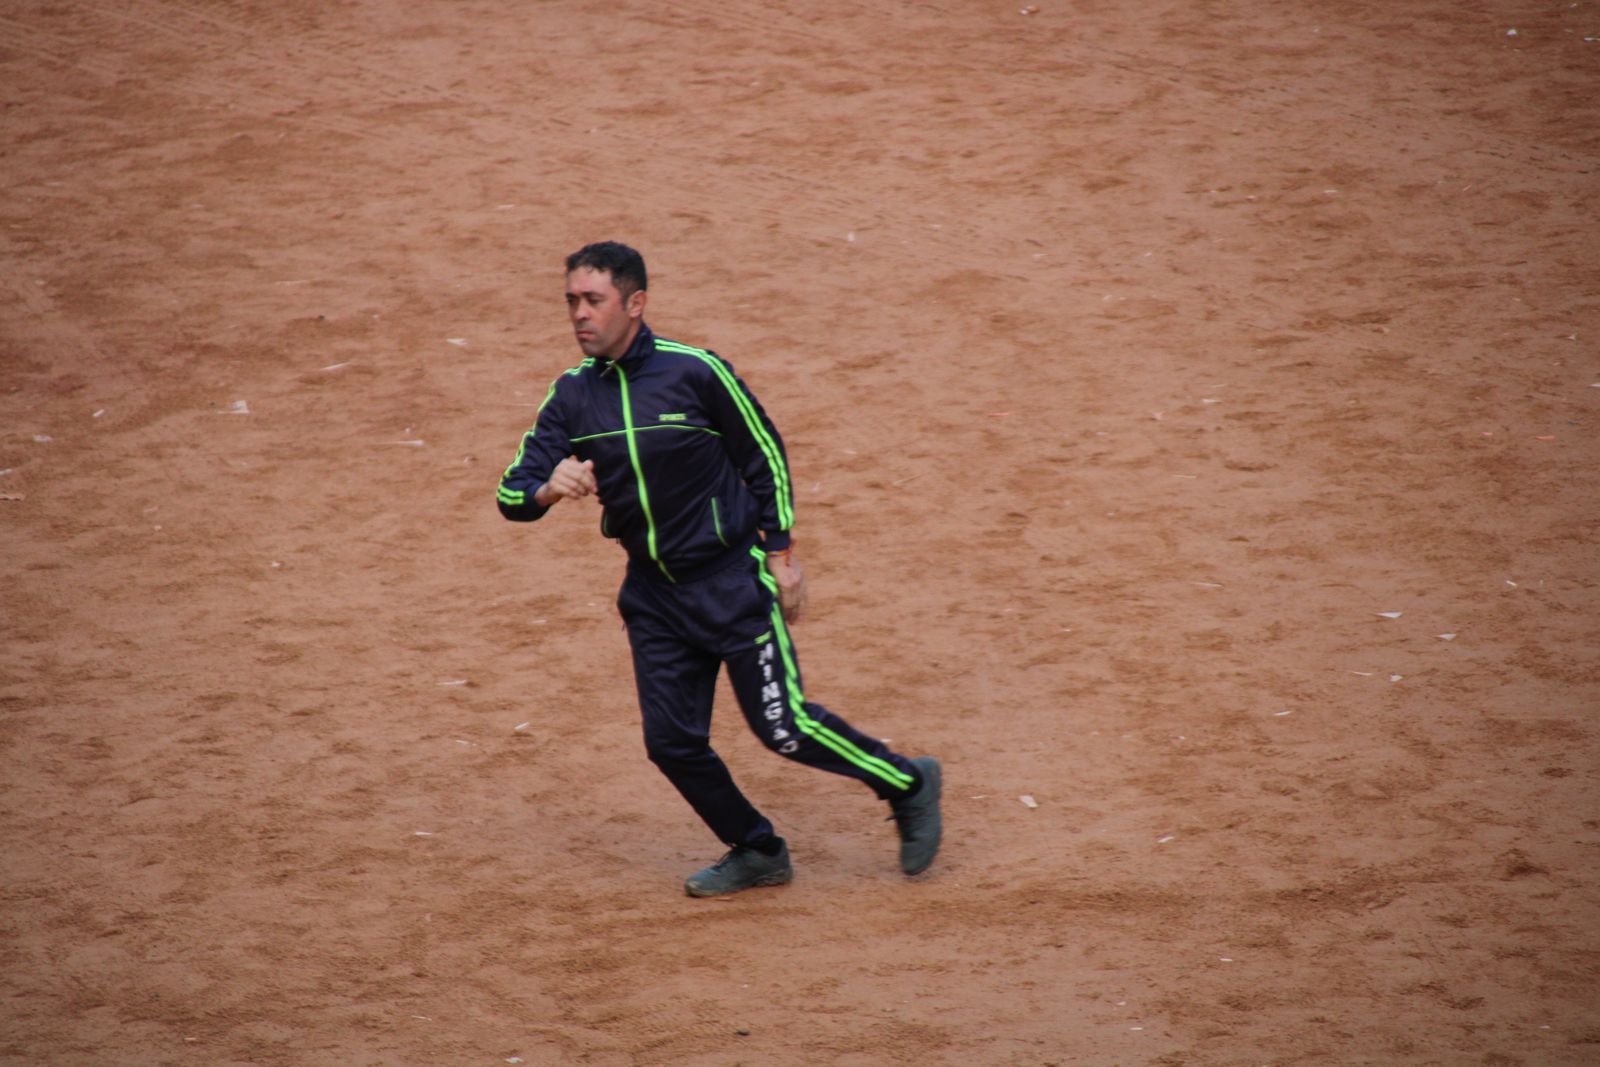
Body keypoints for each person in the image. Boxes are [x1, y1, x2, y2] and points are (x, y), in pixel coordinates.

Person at [497, 241, 942, 897]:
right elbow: (511, 492)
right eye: (572, 301)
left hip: (731, 580)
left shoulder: (695, 372)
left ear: (635, 303)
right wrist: (545, 488)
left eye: (594, 300)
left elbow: (764, 454)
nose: (579, 315)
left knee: (782, 727)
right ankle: (758, 848)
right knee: (672, 743)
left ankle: (908, 780)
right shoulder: (570, 398)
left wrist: (782, 554)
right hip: (655, 596)